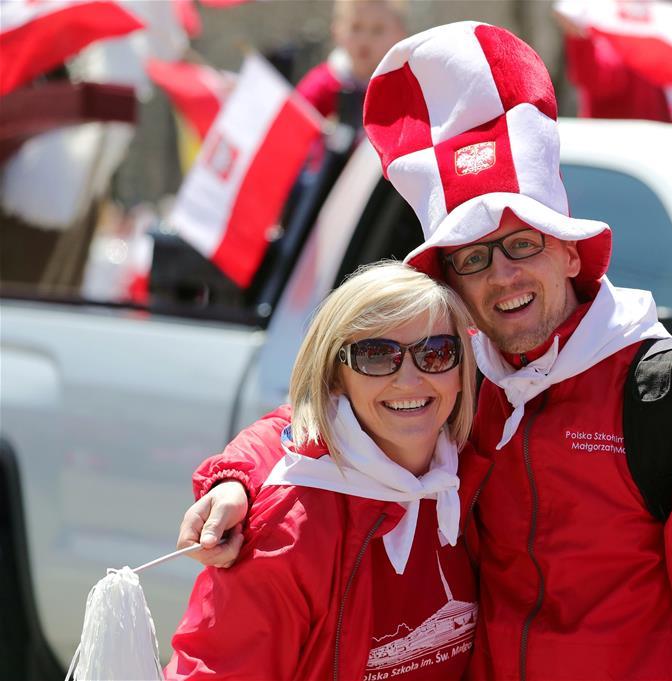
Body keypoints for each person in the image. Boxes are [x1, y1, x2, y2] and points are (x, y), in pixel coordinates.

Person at [177, 22, 672, 680]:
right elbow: (331, 420)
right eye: (473, 257)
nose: (502, 275)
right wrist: (236, 478)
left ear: (568, 249)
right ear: (452, 282)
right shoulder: (457, 377)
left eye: (522, 243)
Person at [166, 261, 479, 680]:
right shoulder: (287, 533)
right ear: (335, 376)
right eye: (376, 356)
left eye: (436, 352)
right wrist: (236, 478)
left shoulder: (477, 473)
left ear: (463, 368)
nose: (410, 379)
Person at [296, 0, 407, 126]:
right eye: (356, 27)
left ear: (400, 34)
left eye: (378, 30)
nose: (365, 39)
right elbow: (293, 127)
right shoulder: (321, 84)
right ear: (336, 30)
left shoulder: (402, 89)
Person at [555, 6, 672, 122]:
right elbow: (598, 80)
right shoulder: (603, 18)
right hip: (613, 134)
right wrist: (578, 36)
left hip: (653, 131)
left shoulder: (651, 19)